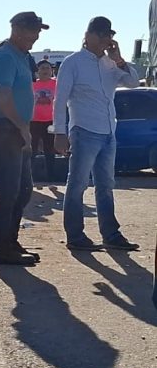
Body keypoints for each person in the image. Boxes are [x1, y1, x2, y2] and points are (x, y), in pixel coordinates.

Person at [52, 17, 140, 251]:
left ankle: (111, 234)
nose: (105, 40)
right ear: (88, 35)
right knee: (77, 184)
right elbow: (60, 100)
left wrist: (119, 59)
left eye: (108, 35)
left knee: (106, 185)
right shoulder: (73, 63)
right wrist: (59, 132)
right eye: (101, 35)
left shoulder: (111, 63)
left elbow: (133, 82)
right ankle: (75, 236)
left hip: (109, 132)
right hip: (83, 131)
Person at [0, 12, 48, 265]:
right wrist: (21, 126)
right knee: (9, 192)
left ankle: (10, 241)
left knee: (23, 191)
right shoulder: (6, 56)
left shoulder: (23, 56)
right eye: (33, 31)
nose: (36, 36)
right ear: (18, 30)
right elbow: (2, 95)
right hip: (5, 130)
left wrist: (23, 127)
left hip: (15, 130)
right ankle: (2, 248)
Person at [30, 60, 57, 181]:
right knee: (32, 149)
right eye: (42, 68)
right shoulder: (32, 84)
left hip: (50, 122)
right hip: (34, 121)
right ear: (37, 71)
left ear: (51, 71)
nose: (45, 70)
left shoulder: (57, 83)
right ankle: (29, 177)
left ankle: (51, 177)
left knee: (50, 149)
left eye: (47, 68)